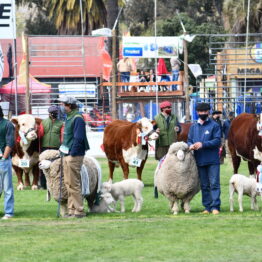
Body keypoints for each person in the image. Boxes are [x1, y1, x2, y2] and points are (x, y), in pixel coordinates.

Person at [58, 96, 90, 218]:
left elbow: (79, 138)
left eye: (63, 104)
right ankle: (72, 210)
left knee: (73, 183)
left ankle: (80, 210)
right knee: (68, 183)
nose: (61, 106)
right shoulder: (70, 117)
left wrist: (72, 154)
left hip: (74, 155)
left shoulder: (78, 118)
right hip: (67, 153)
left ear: (69, 105)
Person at [187, 102, 221, 215]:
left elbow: (217, 141)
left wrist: (203, 144)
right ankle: (207, 207)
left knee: (214, 183)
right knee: (204, 185)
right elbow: (189, 140)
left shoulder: (214, 125)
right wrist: (190, 145)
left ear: (208, 112)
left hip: (213, 160)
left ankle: (215, 206)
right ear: (197, 112)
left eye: (205, 111)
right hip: (199, 160)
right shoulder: (193, 127)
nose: (202, 113)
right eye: (200, 112)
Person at [39, 105, 64, 189]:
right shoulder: (43, 122)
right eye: (53, 113)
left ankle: (55, 184)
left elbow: (62, 137)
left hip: (56, 148)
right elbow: (41, 134)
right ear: (49, 113)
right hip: (45, 148)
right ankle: (43, 185)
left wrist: (62, 146)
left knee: (55, 167)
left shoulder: (61, 123)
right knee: (43, 166)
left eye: (55, 112)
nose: (54, 114)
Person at [0, 106, 15, 219]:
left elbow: (10, 143)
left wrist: (4, 158)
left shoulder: (8, 124)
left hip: (3, 160)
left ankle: (9, 212)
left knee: (7, 187)